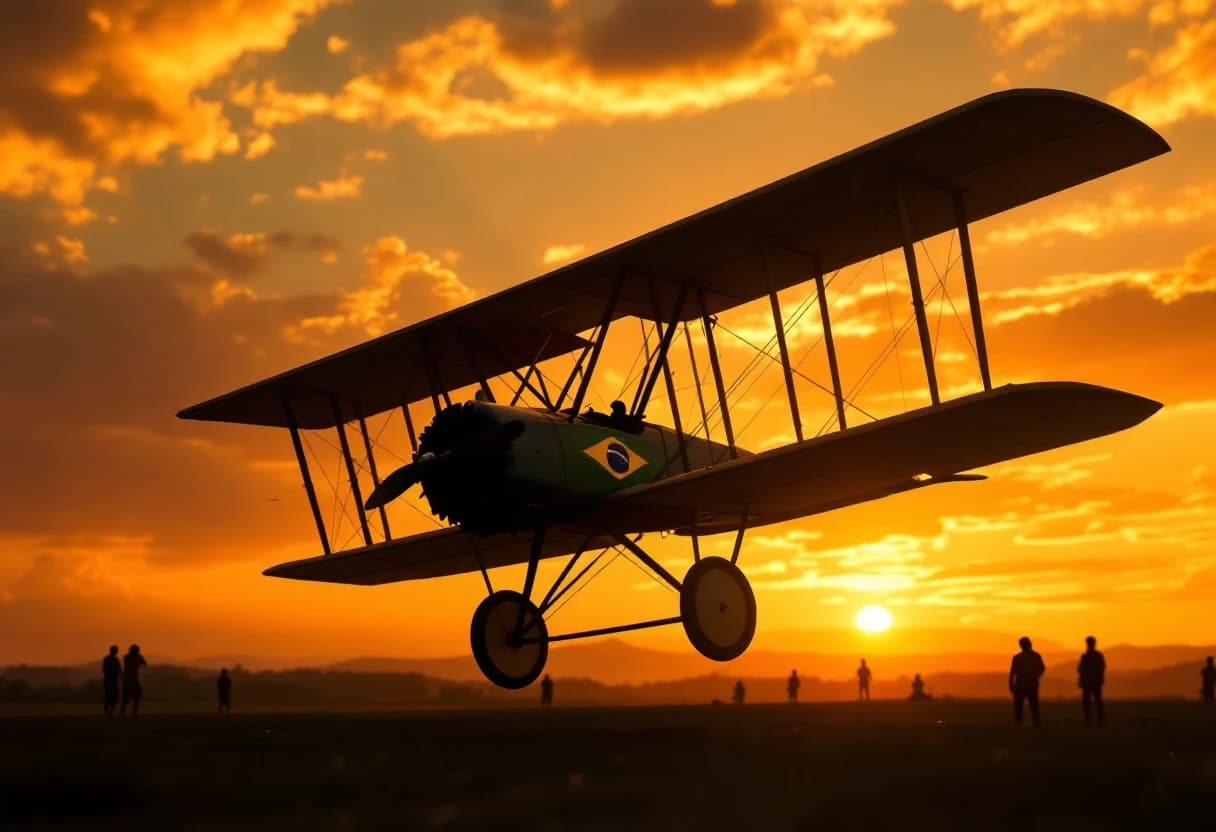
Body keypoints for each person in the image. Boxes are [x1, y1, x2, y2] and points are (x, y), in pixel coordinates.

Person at [1009, 636, 1046, 727]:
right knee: (1025, 705)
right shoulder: (1035, 656)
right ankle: (1029, 722)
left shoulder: (1019, 657)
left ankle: (1027, 723)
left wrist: (1011, 684)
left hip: (1026, 684)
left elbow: (1012, 673)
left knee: (1030, 705)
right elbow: (1042, 669)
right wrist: (1036, 676)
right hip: (1025, 685)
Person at [1077, 636, 1106, 723]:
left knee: (1088, 701)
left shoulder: (1085, 656)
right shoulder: (1097, 656)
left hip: (1089, 681)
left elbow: (1081, 669)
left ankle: (1089, 718)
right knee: (1096, 701)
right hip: (1094, 681)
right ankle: (1098, 718)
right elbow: (1102, 667)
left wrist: (1081, 680)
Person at [120, 644, 147, 717]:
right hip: (134, 680)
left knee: (125, 699)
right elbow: (145, 664)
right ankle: (134, 713)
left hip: (126, 680)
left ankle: (122, 713)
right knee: (136, 698)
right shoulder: (138, 657)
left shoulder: (126, 657)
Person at [102, 645, 122, 716]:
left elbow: (104, 670)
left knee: (107, 697)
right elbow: (119, 670)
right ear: (116, 651)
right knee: (114, 697)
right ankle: (111, 711)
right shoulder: (115, 660)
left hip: (107, 680)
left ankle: (107, 712)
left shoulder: (106, 659)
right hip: (113, 680)